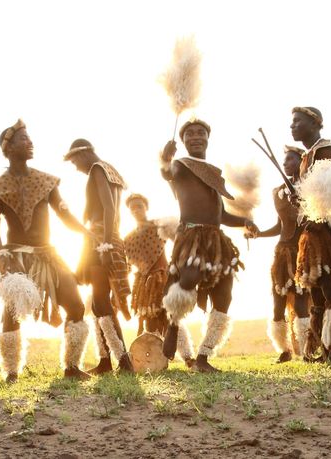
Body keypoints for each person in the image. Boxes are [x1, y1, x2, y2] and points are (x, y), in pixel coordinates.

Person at [0, 119, 92, 382]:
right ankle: (11, 371)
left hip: (48, 255)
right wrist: (1, 256)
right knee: (12, 313)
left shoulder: (47, 182)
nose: (30, 142)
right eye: (23, 138)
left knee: (76, 305)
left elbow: (65, 215)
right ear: (8, 148)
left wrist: (86, 233)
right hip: (17, 256)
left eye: (29, 137)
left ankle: (72, 367)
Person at [159, 118, 258, 373]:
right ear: (183, 141)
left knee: (224, 296)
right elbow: (167, 173)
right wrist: (165, 159)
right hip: (192, 238)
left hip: (217, 240)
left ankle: (203, 357)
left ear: (207, 138)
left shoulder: (213, 173)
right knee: (189, 278)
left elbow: (220, 214)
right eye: (190, 133)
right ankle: (173, 325)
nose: (196, 136)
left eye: (200, 133)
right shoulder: (181, 166)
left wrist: (244, 221)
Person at [290, 107, 331, 366]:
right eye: (292, 122)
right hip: (311, 233)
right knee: (316, 293)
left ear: (315, 124)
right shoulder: (307, 156)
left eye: (297, 121)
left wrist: (320, 211)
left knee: (330, 288)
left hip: (327, 233)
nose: (292, 126)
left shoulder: (327, 151)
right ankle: (321, 348)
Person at [64, 139, 133, 374]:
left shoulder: (97, 169)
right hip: (110, 236)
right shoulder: (110, 169)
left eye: (74, 161)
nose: (75, 167)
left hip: (102, 238)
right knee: (97, 302)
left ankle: (124, 360)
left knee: (101, 301)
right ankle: (105, 361)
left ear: (84, 154)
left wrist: (104, 245)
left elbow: (109, 208)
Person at [247, 146, 311, 363]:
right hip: (281, 253)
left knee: (301, 302)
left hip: (301, 253)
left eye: (291, 159)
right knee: (277, 303)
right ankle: (284, 350)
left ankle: (306, 349)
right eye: (284, 160)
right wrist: (259, 234)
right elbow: (279, 226)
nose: (286, 163)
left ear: (302, 162)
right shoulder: (278, 192)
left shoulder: (310, 190)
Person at [124, 193, 195, 367]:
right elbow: (128, 264)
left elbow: (181, 239)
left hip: (164, 278)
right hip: (144, 285)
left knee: (172, 317)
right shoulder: (129, 238)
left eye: (139, 206)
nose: (136, 210)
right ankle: (153, 361)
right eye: (132, 208)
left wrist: (178, 265)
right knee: (150, 321)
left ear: (146, 207)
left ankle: (187, 357)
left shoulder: (159, 226)